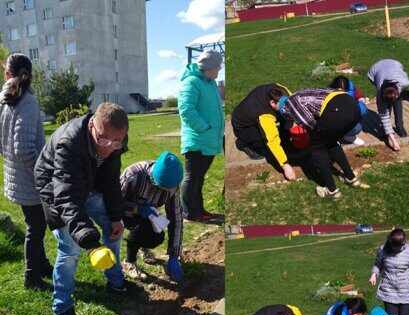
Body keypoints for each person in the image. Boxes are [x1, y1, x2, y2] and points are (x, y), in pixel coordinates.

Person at [34, 102, 130, 315]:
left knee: (114, 230)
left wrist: (116, 217)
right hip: (55, 189)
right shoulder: (70, 144)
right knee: (70, 249)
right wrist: (90, 243)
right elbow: (67, 197)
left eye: (117, 141)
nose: (110, 147)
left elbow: (110, 179)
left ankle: (116, 283)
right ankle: (62, 311)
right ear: (91, 128)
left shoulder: (116, 137)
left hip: (89, 183)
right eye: (104, 139)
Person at [0, 53, 52, 291]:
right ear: (29, 76)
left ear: (8, 74)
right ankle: (31, 277)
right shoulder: (27, 101)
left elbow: (5, 144)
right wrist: (40, 173)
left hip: (15, 175)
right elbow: (24, 149)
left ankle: (42, 266)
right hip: (28, 178)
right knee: (36, 227)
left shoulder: (6, 100)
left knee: (35, 224)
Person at [280, 88, 362, 199]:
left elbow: (308, 123)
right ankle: (351, 178)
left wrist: (314, 136)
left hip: (337, 110)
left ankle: (332, 191)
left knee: (317, 149)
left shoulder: (288, 104)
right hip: (352, 106)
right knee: (331, 142)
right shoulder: (302, 93)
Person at [120, 151, 183, 282]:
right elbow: (113, 203)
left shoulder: (173, 186)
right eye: (161, 188)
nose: (166, 192)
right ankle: (129, 262)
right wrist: (137, 209)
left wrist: (174, 255)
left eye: (169, 189)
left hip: (150, 216)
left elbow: (176, 217)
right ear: (154, 179)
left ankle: (144, 247)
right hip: (125, 212)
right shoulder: (134, 175)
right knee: (140, 227)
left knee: (158, 237)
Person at [178, 49, 224, 222]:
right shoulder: (191, 83)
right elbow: (186, 110)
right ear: (209, 67)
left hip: (209, 139)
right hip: (197, 139)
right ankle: (189, 213)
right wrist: (204, 128)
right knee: (192, 177)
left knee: (199, 177)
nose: (219, 69)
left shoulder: (209, 82)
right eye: (218, 66)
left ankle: (199, 210)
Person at [231, 83, 298, 180]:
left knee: (286, 119)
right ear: (272, 103)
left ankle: (285, 144)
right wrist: (285, 165)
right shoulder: (265, 115)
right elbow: (272, 140)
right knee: (264, 140)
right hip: (243, 127)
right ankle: (245, 144)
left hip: (254, 114)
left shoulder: (283, 91)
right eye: (282, 108)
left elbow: (292, 109)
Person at [367, 59, 409, 151]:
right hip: (375, 70)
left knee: (397, 101)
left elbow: (401, 86)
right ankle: (386, 130)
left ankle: (399, 127)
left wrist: (395, 96)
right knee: (385, 108)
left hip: (395, 64)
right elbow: (383, 115)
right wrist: (393, 140)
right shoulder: (380, 92)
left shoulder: (404, 83)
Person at [328, 75, 368, 146]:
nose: (341, 89)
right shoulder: (328, 93)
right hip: (334, 119)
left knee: (357, 127)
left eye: (344, 88)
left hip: (348, 116)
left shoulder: (351, 88)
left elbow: (359, 96)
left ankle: (348, 136)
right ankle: (334, 138)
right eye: (339, 88)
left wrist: (361, 99)